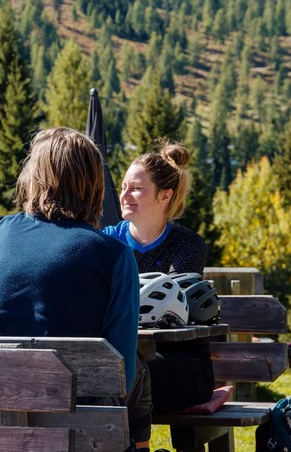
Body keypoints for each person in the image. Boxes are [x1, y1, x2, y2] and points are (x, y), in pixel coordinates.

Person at [0, 128, 148, 450]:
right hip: (71, 426)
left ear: (32, 177)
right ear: (92, 184)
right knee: (141, 372)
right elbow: (123, 371)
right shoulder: (113, 254)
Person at [103, 140, 214, 418]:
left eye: (137, 188)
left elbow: (166, 308)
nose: (125, 194)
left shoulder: (188, 245)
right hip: (122, 358)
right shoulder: (106, 241)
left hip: (178, 363)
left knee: (118, 380)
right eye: (124, 186)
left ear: (165, 196)